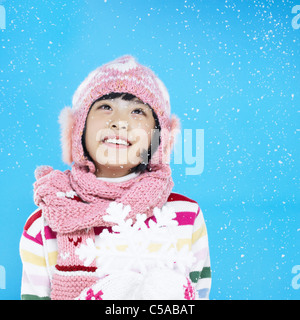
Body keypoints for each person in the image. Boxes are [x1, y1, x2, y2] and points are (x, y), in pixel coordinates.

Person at [19, 55, 211, 300]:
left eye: (138, 111)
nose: (120, 123)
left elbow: (199, 294)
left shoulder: (185, 215)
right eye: (106, 107)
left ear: (158, 137)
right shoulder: (47, 222)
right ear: (79, 129)